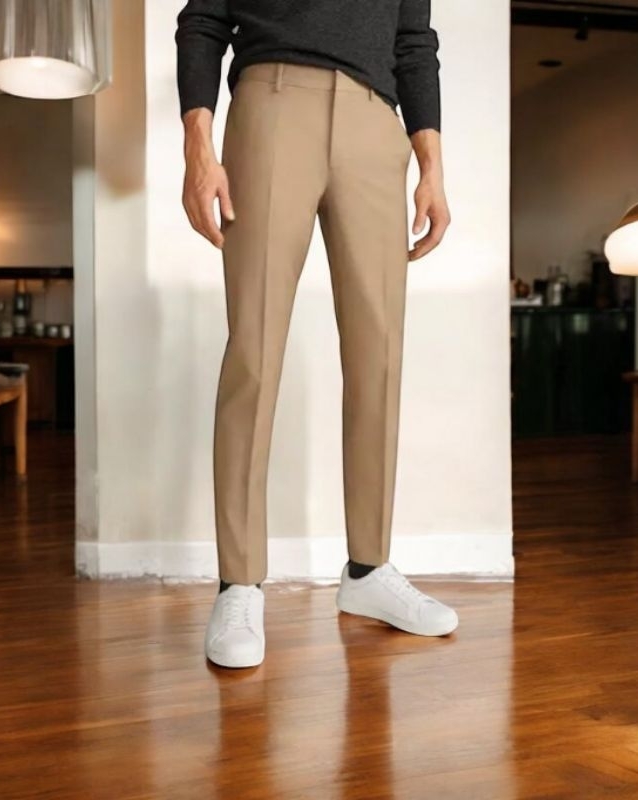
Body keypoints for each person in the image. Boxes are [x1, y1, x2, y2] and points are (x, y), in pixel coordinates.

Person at [176, 0, 458, 669]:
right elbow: (203, 20)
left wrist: (432, 166)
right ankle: (239, 584)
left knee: (379, 353)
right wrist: (198, 149)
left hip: (376, 121)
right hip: (273, 103)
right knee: (255, 349)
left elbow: (413, 42)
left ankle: (368, 570)